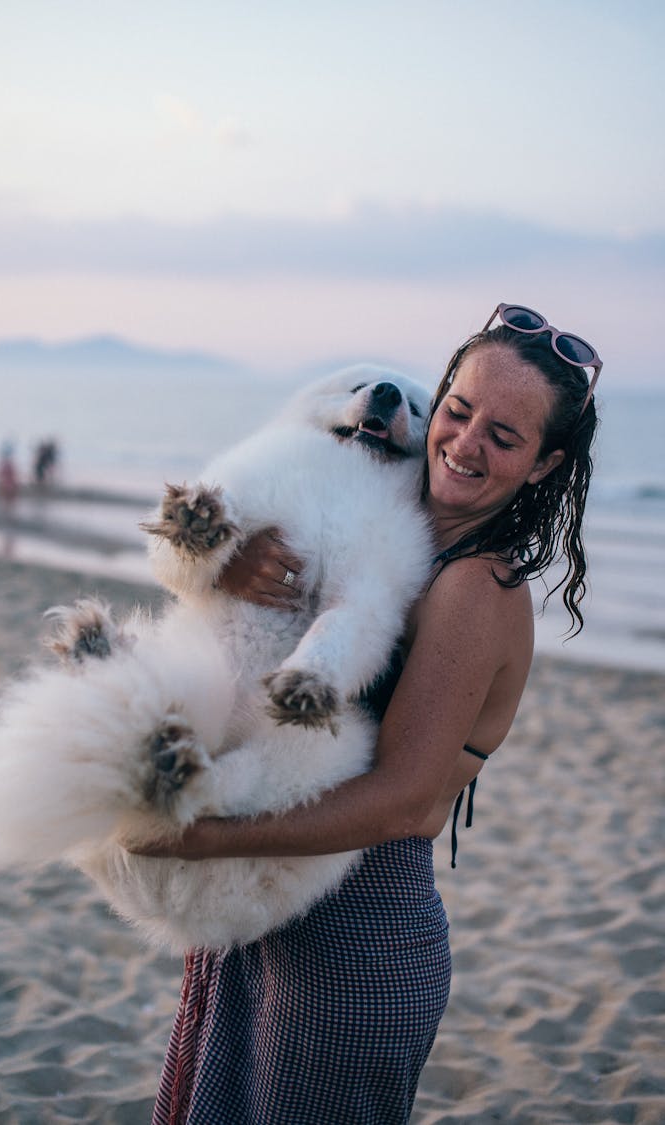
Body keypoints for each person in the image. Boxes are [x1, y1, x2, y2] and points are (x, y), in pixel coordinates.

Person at [127, 304, 601, 1125]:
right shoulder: (394, 532)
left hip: (349, 946)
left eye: (505, 435)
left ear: (542, 464)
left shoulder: (473, 587)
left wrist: (204, 838)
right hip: (262, 912)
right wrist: (229, 562)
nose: (465, 442)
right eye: (458, 411)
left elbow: (407, 801)